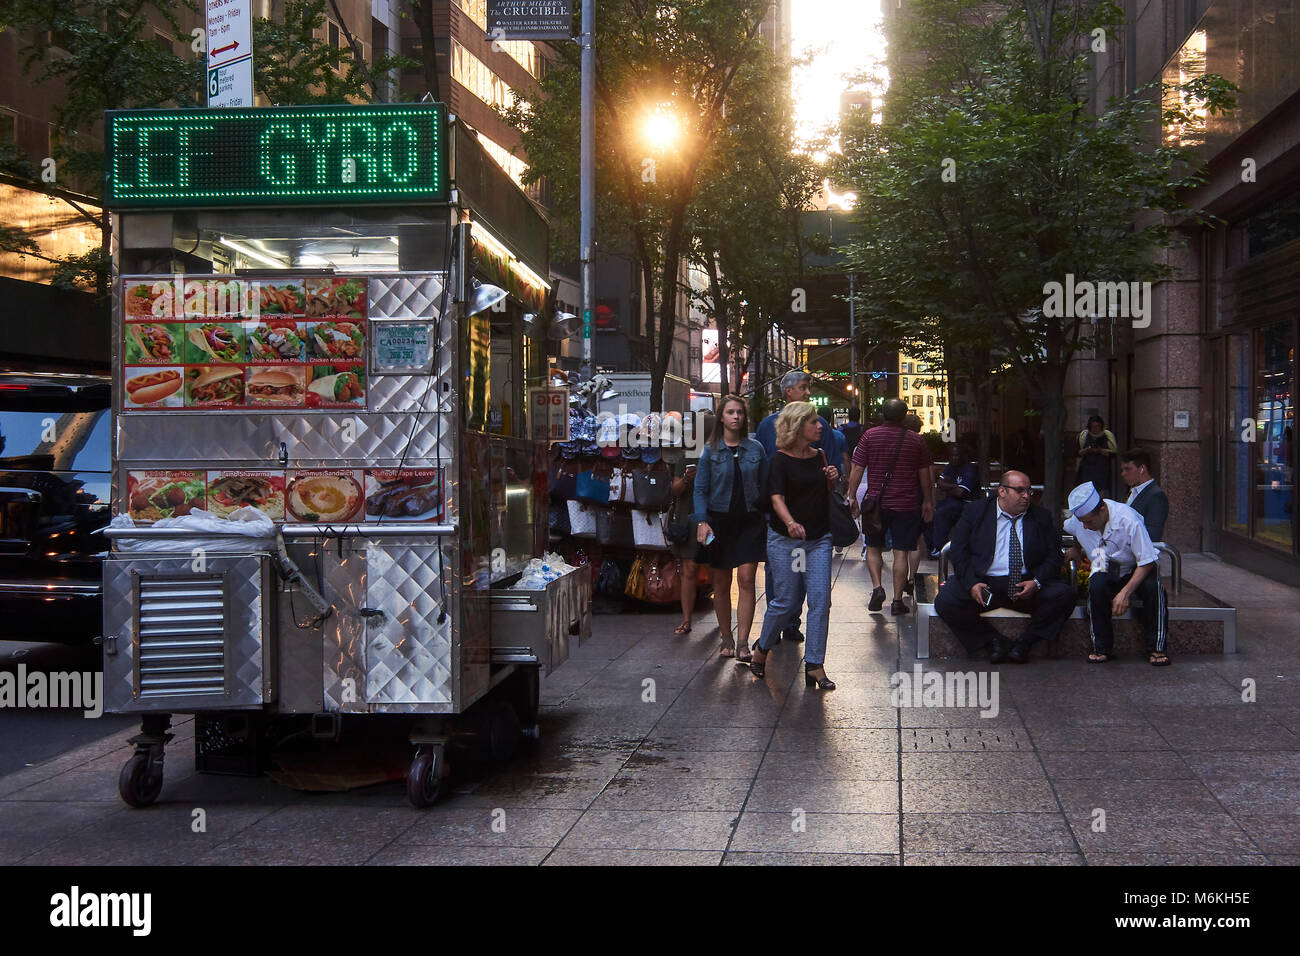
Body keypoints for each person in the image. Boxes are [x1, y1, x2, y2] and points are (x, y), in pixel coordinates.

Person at [934, 470, 1076, 663]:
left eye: (1029, 491)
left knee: (1064, 595)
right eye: (1020, 491)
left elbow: (1054, 556)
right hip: (985, 583)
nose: (1026, 496)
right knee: (946, 601)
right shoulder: (976, 511)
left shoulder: (1041, 517)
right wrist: (972, 584)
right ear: (1002, 491)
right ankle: (993, 640)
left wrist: (1036, 582)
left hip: (1026, 583)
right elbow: (959, 551)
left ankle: (1024, 644)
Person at [749, 402, 838, 690]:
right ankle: (762, 649)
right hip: (785, 541)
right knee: (786, 601)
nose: (819, 426)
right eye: (813, 422)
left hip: (818, 539)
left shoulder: (820, 455)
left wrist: (831, 481)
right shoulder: (779, 460)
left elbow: (823, 495)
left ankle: (815, 664)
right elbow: (776, 498)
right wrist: (789, 522)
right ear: (799, 426)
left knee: (820, 600)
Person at [755, 371, 841, 643]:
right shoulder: (768, 426)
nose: (807, 392)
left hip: (813, 522)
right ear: (788, 392)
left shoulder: (821, 428)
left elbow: (826, 466)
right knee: (780, 578)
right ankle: (777, 624)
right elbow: (764, 468)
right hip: (779, 519)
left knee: (809, 580)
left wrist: (831, 478)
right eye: (803, 388)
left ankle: (792, 623)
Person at [693, 395, 767, 660]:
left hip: (750, 521)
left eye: (740, 413)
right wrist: (702, 522)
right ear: (721, 417)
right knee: (721, 582)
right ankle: (727, 637)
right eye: (731, 412)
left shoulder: (756, 449)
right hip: (718, 523)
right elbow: (700, 489)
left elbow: (766, 486)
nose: (736, 417)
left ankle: (744, 642)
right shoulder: (710, 451)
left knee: (747, 579)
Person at [1064, 482, 1170, 666]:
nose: (1086, 527)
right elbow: (1074, 529)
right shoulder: (1081, 521)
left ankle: (1157, 647)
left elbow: (1146, 561)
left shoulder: (1128, 519)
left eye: (1090, 522)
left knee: (1155, 589)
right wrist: (1075, 547)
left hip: (1135, 565)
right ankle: (1101, 647)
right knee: (1096, 587)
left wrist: (1125, 593)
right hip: (1102, 561)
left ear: (1103, 510)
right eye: (1083, 522)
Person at [847, 398, 935, 615]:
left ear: (882, 414)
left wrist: (851, 496)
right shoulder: (916, 440)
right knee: (901, 552)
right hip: (906, 504)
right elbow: (925, 475)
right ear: (904, 416)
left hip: (876, 503)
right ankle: (897, 600)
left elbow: (857, 468)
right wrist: (928, 501)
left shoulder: (869, 436)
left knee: (874, 547)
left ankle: (877, 588)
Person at [667, 454, 709, 635]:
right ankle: (686, 619)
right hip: (687, 518)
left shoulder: (718, 453)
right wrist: (686, 478)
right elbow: (674, 490)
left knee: (716, 568)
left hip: (712, 516)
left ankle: (724, 624)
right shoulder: (685, 457)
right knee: (689, 569)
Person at [932, 439, 980, 556]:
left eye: (957, 455)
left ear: (963, 455)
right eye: (952, 455)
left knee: (943, 512)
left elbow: (961, 493)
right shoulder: (950, 466)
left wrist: (948, 488)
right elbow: (940, 484)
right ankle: (933, 546)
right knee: (932, 511)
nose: (954, 458)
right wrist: (954, 486)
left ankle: (940, 547)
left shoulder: (970, 468)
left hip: (967, 503)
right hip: (951, 500)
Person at [1119, 447, 1169, 542]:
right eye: (1122, 470)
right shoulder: (1131, 489)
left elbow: (1153, 535)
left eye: (1127, 469)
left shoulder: (1156, 496)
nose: (1123, 474)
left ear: (1142, 469)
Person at [1076, 415, 1117, 498]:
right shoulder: (1083, 436)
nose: (1095, 429)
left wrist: (1100, 451)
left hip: (1102, 469)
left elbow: (1113, 454)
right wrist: (1087, 450)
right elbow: (1077, 452)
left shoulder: (1107, 436)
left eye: (1097, 426)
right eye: (1093, 427)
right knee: (1087, 491)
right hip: (1087, 469)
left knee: (1101, 491)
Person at [839, 407, 865, 477]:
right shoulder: (862, 429)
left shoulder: (842, 428)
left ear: (848, 416)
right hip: (858, 462)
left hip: (843, 462)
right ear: (859, 416)